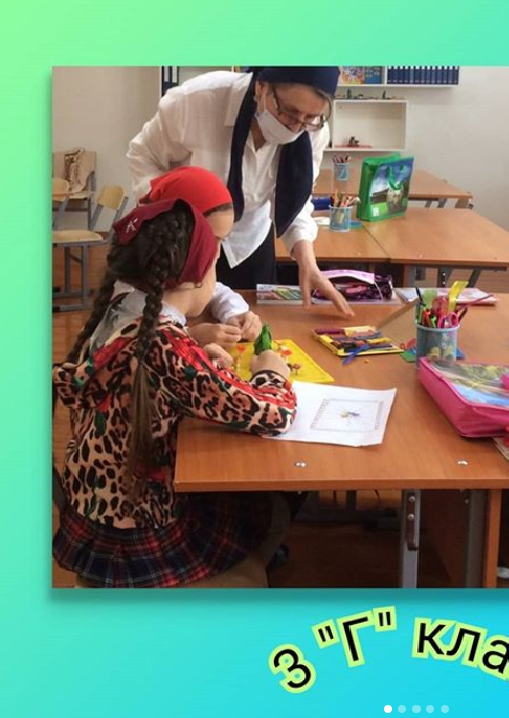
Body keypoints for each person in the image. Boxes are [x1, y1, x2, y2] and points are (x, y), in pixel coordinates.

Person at [53, 198, 297, 587]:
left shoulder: (128, 317)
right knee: (271, 507)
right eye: (215, 266)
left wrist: (199, 358)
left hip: (97, 518)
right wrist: (271, 372)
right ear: (194, 279)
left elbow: (166, 378)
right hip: (141, 537)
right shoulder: (168, 349)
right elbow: (274, 415)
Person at [128, 66, 352, 316]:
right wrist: (168, 219)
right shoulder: (196, 102)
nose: (296, 127)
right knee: (178, 324)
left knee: (249, 323)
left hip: (250, 241)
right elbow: (143, 155)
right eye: (289, 112)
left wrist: (307, 263)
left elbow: (295, 200)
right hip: (183, 241)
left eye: (310, 118)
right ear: (261, 86)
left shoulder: (313, 131)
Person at [139, 165, 262, 350]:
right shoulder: (134, 297)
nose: (218, 254)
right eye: (212, 240)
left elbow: (215, 290)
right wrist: (190, 337)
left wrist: (235, 313)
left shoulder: (171, 280)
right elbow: (144, 342)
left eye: (222, 241)